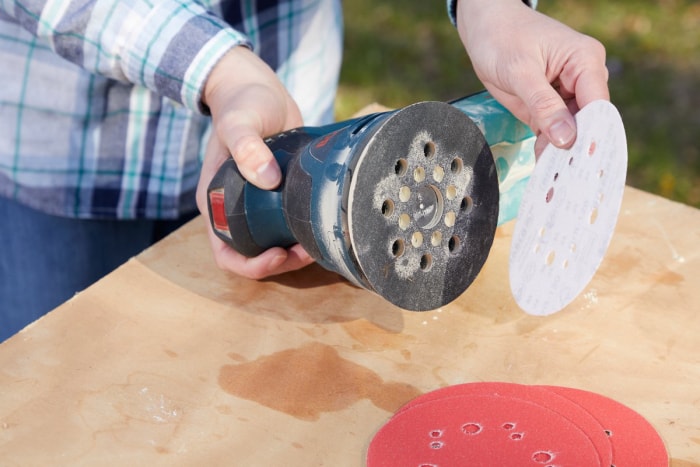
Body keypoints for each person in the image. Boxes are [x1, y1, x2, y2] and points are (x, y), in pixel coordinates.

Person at [0, 0, 608, 341]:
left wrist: (491, 8)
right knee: (56, 399)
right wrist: (220, 71)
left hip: (281, 104)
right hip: (64, 164)